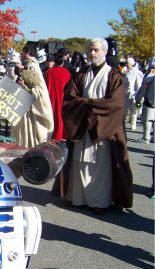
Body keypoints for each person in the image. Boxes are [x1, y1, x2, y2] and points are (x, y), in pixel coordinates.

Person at [52, 38, 133, 214]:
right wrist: (86, 105)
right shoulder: (80, 74)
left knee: (100, 165)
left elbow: (116, 104)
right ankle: (77, 197)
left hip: (103, 126)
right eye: (90, 50)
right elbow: (70, 98)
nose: (92, 53)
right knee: (79, 161)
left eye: (96, 50)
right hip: (82, 125)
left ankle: (99, 201)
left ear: (105, 52)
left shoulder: (114, 76)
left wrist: (89, 106)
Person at [11, 69, 54, 148]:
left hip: (35, 127)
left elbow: (36, 98)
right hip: (23, 125)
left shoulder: (39, 92)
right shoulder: (21, 93)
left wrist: (24, 87)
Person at [44, 52, 71, 140]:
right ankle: (61, 134)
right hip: (62, 97)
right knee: (60, 116)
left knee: (52, 116)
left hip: (50, 97)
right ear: (62, 63)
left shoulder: (49, 72)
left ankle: (51, 134)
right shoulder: (66, 72)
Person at [135, 59, 155, 144]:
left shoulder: (151, 73)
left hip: (150, 99)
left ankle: (146, 138)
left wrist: (138, 98)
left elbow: (144, 87)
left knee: (147, 119)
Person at [124, 57, 144, 130]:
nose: (126, 64)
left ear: (131, 64)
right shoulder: (126, 72)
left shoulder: (136, 72)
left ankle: (133, 123)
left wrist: (138, 95)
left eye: (127, 63)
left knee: (133, 110)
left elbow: (139, 85)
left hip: (133, 94)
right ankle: (124, 122)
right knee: (125, 109)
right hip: (126, 94)